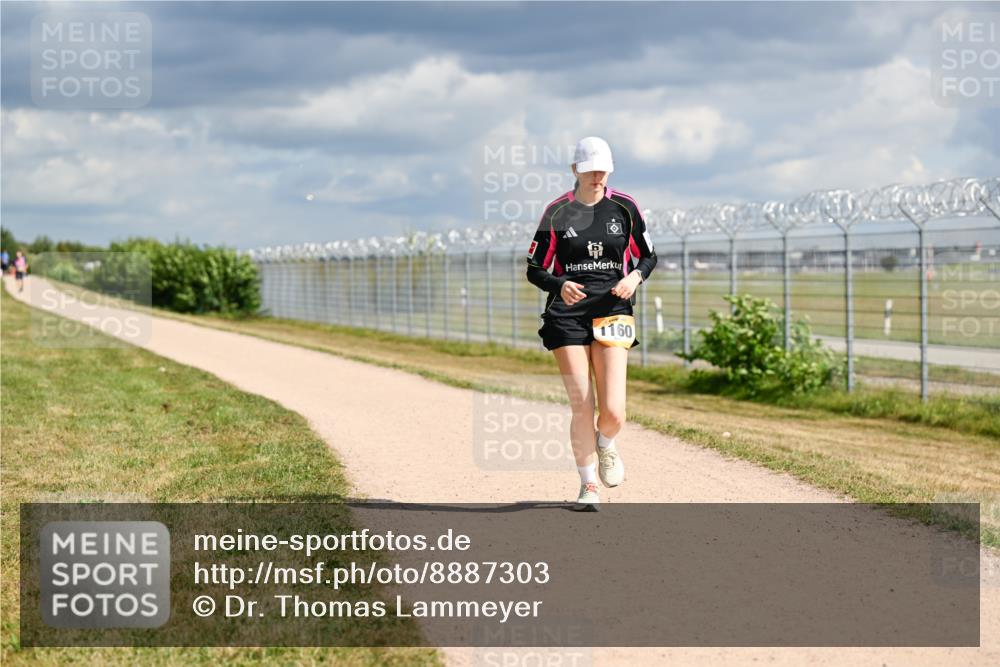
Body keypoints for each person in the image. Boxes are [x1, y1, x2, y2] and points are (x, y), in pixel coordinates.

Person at [525, 136, 657, 510]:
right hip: (567, 315)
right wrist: (559, 284)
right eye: (589, 170)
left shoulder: (625, 207)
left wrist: (634, 278)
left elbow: (648, 256)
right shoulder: (556, 212)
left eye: (602, 170)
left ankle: (606, 443)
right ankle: (588, 484)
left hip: (613, 309)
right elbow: (534, 268)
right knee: (582, 405)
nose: (596, 177)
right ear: (575, 170)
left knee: (613, 411)